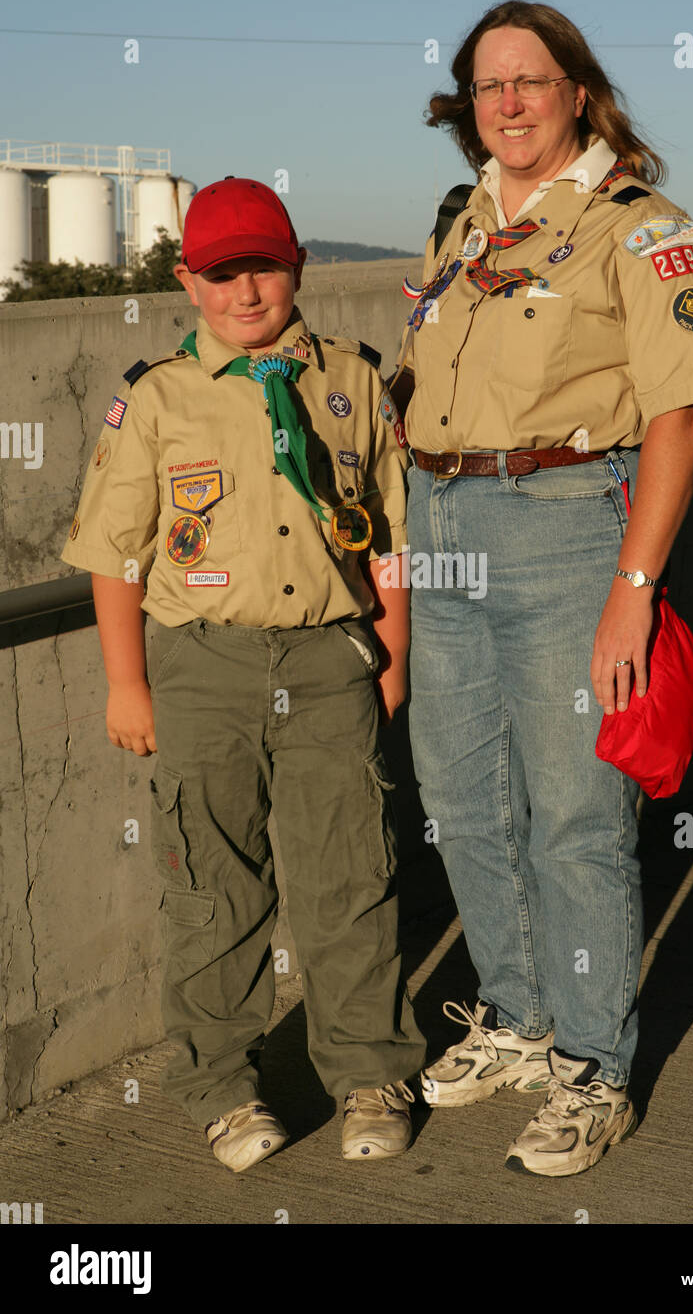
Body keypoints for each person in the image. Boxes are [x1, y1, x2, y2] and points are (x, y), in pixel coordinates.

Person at [393, 0, 693, 1178]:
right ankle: (519, 1014)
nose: (507, 103)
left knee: (574, 818)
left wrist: (631, 587)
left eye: (529, 81)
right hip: (439, 518)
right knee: (460, 793)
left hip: (562, 529)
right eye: (486, 87)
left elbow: (680, 414)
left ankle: (594, 1064)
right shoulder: (461, 224)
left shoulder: (634, 227)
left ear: (575, 92)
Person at [61, 176, 426, 1173]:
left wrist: (390, 650)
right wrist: (124, 682)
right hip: (201, 663)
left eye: (262, 266)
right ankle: (222, 1089)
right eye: (221, 273)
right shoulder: (156, 398)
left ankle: (366, 1074)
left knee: (349, 874)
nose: (244, 290)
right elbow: (114, 555)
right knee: (211, 886)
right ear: (188, 281)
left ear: (296, 266)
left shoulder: (350, 382)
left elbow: (388, 537)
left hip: (327, 658)